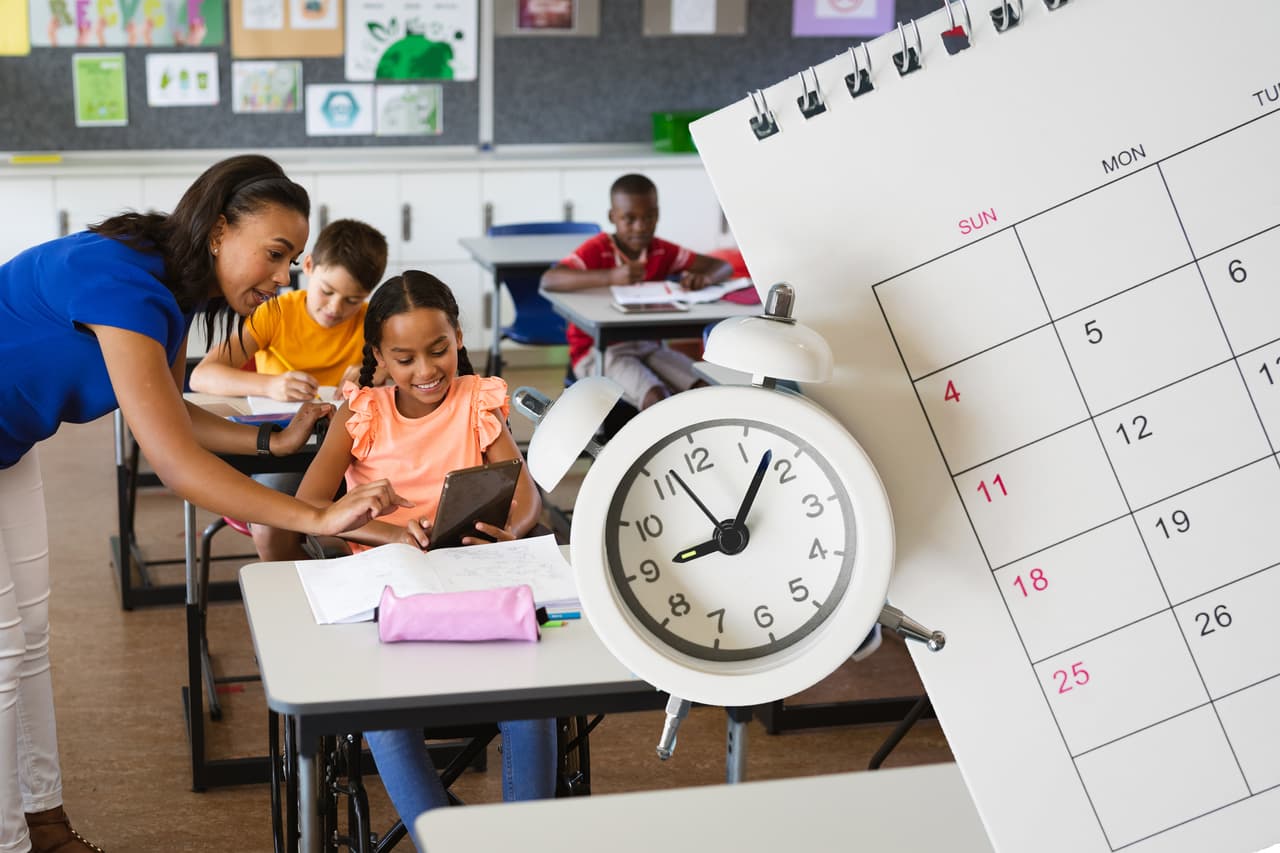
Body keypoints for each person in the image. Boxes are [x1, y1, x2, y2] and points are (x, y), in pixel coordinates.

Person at [0, 154, 410, 853]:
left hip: (11, 441)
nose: (283, 278)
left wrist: (273, 444)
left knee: (26, 639)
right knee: (5, 650)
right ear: (221, 230)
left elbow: (172, 411)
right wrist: (312, 515)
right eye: (276, 255)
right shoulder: (125, 283)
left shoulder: (169, 280)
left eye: (291, 260)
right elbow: (172, 459)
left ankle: (43, 824)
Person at [294, 270, 554, 845]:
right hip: (389, 596)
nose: (427, 371)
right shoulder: (360, 413)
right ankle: (447, 840)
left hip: (472, 580)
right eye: (405, 358)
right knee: (387, 720)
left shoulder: (477, 400)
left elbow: (526, 492)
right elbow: (310, 507)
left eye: (439, 351)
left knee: (534, 701)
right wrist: (384, 532)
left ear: (458, 335)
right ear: (380, 357)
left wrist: (509, 529)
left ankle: (526, 840)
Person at [189, 217, 389, 560]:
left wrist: (375, 373)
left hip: (351, 455)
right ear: (309, 266)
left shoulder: (373, 324)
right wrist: (271, 385)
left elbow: (406, 380)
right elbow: (203, 377)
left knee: (383, 510)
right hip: (286, 449)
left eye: (352, 300)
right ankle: (294, 597)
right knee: (270, 523)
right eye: (327, 291)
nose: (334, 308)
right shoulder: (276, 313)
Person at [541, 172, 734, 410]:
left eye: (649, 217)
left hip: (649, 346)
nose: (640, 227)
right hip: (598, 350)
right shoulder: (598, 249)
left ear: (658, 215)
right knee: (656, 397)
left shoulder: (661, 251)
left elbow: (723, 266)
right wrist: (609, 276)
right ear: (613, 217)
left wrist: (705, 277)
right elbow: (550, 280)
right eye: (629, 219)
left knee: (704, 388)